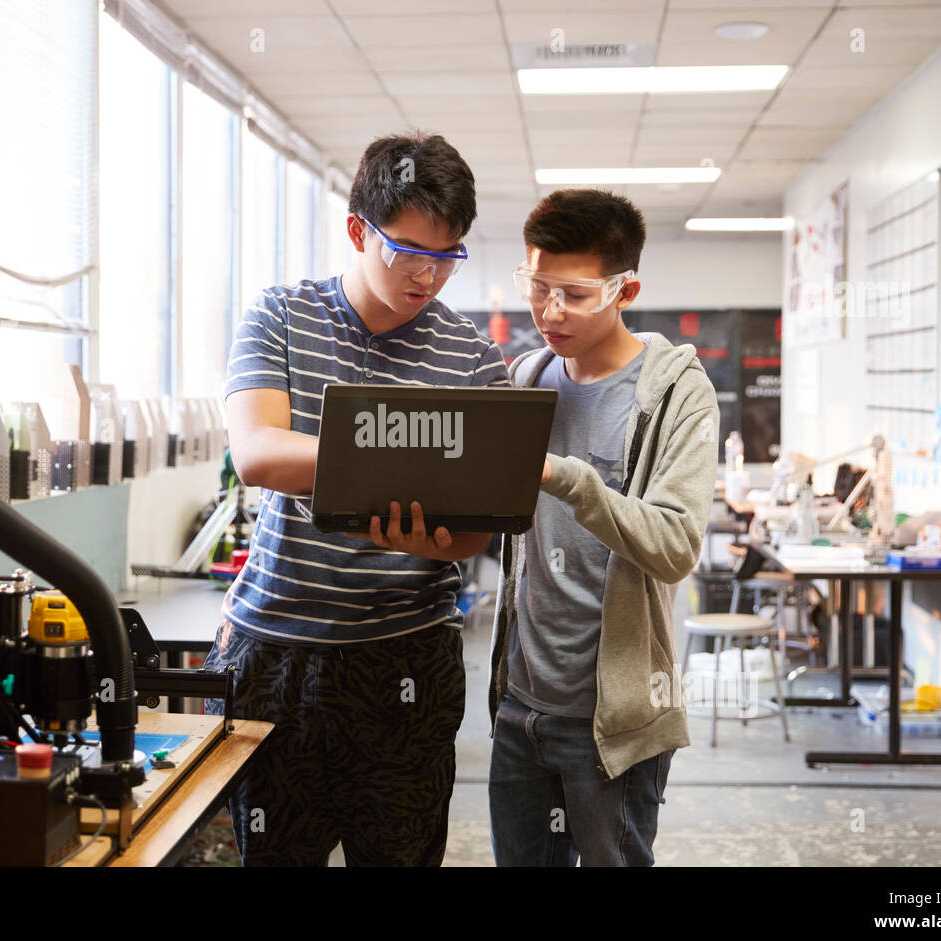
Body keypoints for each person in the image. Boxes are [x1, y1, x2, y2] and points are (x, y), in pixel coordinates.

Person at [204, 131, 509, 866]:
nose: (427, 276)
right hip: (277, 653)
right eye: (408, 251)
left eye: (448, 256)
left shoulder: (474, 358)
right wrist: (413, 460)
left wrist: (421, 532)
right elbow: (258, 454)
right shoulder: (281, 315)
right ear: (356, 230)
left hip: (407, 658)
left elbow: (477, 529)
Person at [488, 188, 719, 867]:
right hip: (520, 705)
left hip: (611, 718)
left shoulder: (676, 393)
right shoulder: (525, 377)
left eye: (574, 294)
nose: (550, 310)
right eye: (538, 288)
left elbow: (675, 545)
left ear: (626, 290)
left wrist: (570, 480)